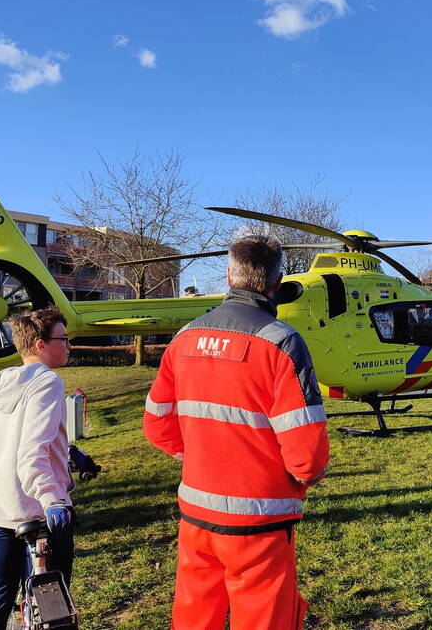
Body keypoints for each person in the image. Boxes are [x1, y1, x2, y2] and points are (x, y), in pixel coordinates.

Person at [144, 235, 330, 630]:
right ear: (277, 283)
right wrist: (302, 479)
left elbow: (157, 423)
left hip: (197, 514)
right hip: (260, 520)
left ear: (229, 276)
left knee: (194, 615)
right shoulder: (282, 342)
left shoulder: (184, 337)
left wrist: (199, 457)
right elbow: (307, 454)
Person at [0, 306, 75, 630]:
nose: (69, 345)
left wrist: (68, 451)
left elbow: (17, 438)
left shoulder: (6, 382)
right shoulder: (48, 382)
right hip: (39, 511)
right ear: (41, 345)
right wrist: (52, 498)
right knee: (52, 612)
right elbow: (31, 450)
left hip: (0, 508)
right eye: (63, 339)